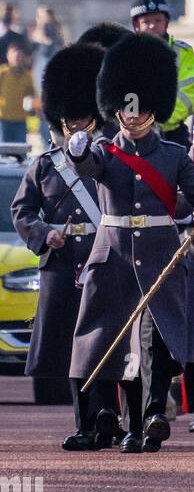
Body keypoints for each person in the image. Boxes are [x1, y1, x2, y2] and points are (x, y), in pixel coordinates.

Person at [66, 31, 194, 453]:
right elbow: (89, 167)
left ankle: (149, 417)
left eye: (141, 111)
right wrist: (77, 150)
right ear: (118, 111)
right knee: (111, 340)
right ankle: (112, 425)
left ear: (153, 111)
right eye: (127, 111)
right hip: (115, 254)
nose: (134, 117)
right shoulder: (106, 150)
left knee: (156, 342)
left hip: (160, 251)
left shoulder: (174, 155)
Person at [11, 43, 110, 449]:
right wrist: (43, 233)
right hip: (63, 261)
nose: (76, 126)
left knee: (107, 342)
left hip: (104, 258)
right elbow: (22, 211)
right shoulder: (45, 165)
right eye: (70, 121)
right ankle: (86, 422)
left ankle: (114, 419)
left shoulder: (108, 159)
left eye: (83, 119)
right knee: (73, 347)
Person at [129, 0, 194, 148]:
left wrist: (158, 120)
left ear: (166, 22)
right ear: (136, 26)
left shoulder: (183, 52)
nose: (153, 25)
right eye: (146, 21)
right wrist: (137, 124)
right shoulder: (125, 54)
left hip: (172, 134)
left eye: (158, 20)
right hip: (133, 135)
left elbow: (188, 95)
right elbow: (126, 94)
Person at [0, 40, 35, 145]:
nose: (17, 56)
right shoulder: (2, 72)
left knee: (20, 152)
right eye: (14, 53)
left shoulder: (28, 76)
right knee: (3, 153)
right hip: (3, 121)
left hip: (20, 121)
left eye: (19, 54)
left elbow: (31, 96)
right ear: (8, 55)